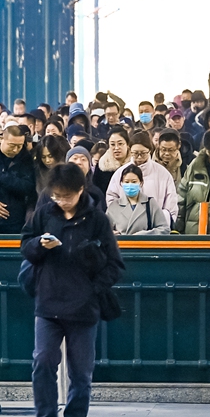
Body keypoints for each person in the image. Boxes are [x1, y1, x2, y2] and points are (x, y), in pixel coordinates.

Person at [22, 163, 124, 417]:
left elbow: (115, 264)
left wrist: (93, 288)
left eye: (66, 196)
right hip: (48, 301)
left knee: (81, 372)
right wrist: (39, 244)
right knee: (43, 361)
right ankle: (45, 413)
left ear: (81, 189)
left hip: (83, 306)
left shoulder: (98, 219)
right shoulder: (45, 214)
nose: (61, 201)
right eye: (56, 195)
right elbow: (25, 246)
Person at [106, 132, 179, 228]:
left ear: (150, 151)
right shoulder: (120, 173)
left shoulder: (163, 174)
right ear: (130, 151)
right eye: (135, 154)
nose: (139, 157)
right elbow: (112, 199)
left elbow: (171, 204)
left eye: (143, 153)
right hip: (126, 229)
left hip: (154, 231)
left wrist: (160, 222)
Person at [106, 164, 170, 235]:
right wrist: (111, 234)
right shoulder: (114, 206)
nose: (130, 185)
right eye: (126, 182)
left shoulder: (150, 204)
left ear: (141, 183)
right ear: (121, 183)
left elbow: (164, 229)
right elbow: (103, 231)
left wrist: (146, 235)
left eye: (134, 182)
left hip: (144, 245)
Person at [0, 125, 37, 233]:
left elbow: (27, 186)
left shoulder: (26, 158)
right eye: (12, 145)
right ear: (2, 139)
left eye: (19, 146)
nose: (15, 150)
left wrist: (2, 177)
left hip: (16, 220)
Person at [92, 128, 130, 193]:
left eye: (120, 144)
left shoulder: (135, 163)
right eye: (112, 144)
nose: (116, 148)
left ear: (127, 144)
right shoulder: (102, 165)